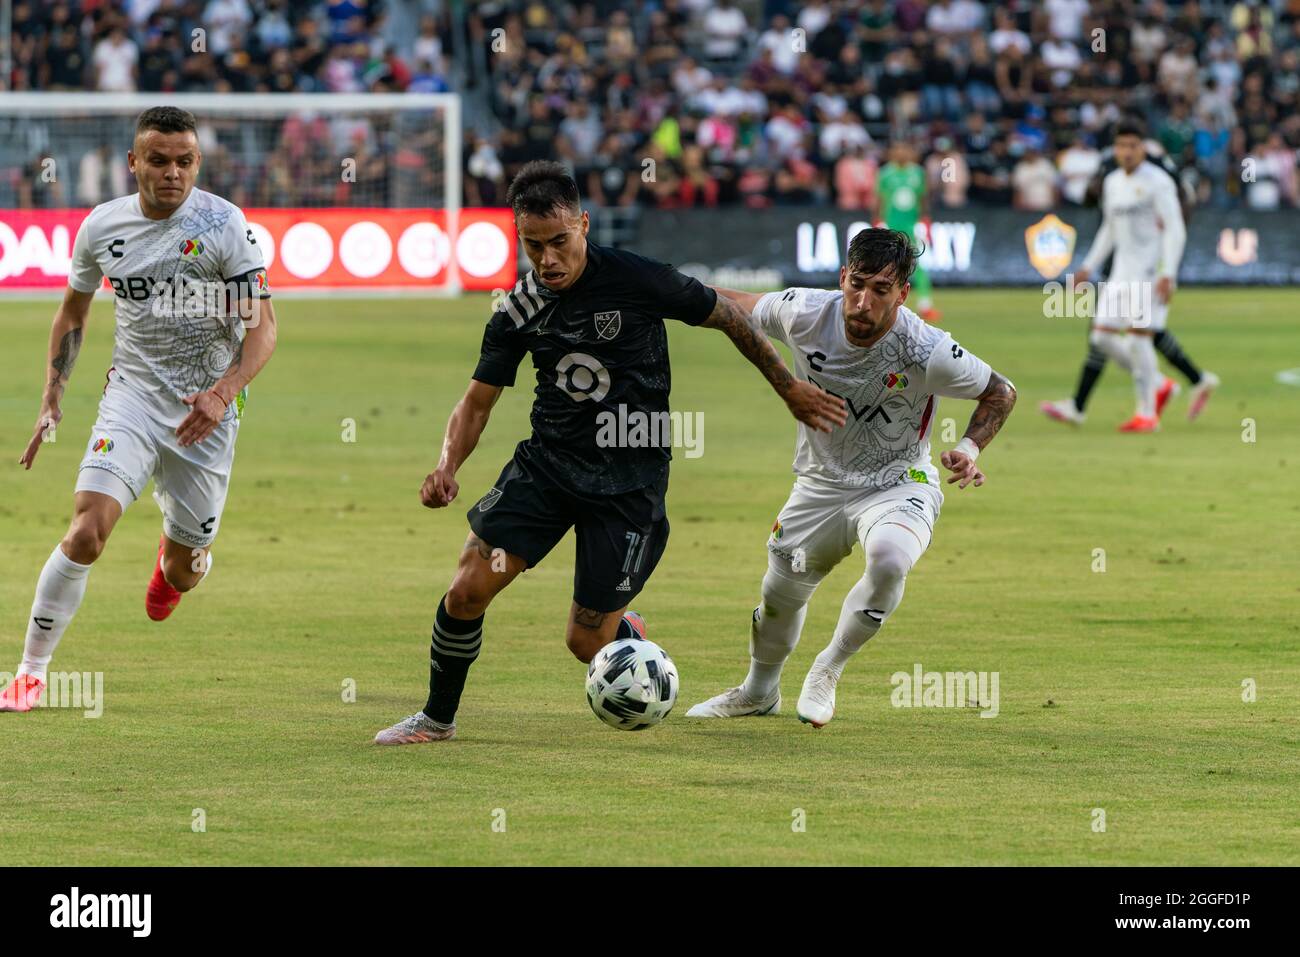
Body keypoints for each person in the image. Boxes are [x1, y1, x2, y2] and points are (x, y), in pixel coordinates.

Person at [373, 161, 846, 745]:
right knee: (468, 587)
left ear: (584, 225)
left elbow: (726, 315)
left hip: (630, 481)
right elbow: (476, 402)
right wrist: (447, 466)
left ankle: (626, 634)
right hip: (546, 468)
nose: (547, 260)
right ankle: (437, 718)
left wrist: (790, 388)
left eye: (559, 242)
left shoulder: (637, 279)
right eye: (533, 245)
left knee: (585, 643)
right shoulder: (517, 310)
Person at [2, 106, 277, 713]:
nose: (172, 172)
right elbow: (74, 313)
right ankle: (29, 673)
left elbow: (263, 328)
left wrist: (222, 392)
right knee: (86, 531)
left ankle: (174, 558)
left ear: (197, 163)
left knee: (184, 572)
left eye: (184, 161)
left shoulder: (225, 226)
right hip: (130, 397)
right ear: (134, 162)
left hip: (206, 414)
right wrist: (52, 397)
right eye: (158, 160)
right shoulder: (103, 228)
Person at [688, 228, 1016, 726]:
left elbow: (1001, 392)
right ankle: (758, 691)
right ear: (842, 276)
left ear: (903, 294)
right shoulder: (804, 312)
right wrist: (665, 292)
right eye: (856, 284)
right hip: (819, 486)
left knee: (888, 559)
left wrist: (969, 447)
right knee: (778, 598)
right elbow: (737, 305)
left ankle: (828, 669)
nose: (863, 302)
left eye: (881, 290)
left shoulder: (926, 348)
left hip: (897, 482)